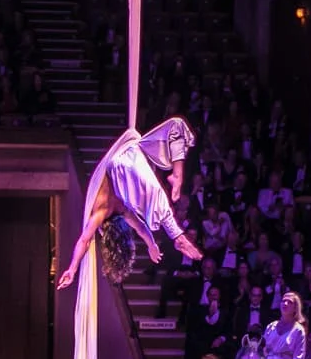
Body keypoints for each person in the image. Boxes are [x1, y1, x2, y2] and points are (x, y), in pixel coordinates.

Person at [56, 116, 205, 290]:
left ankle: (177, 223)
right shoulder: (115, 211)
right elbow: (86, 240)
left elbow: (86, 241)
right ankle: (177, 176)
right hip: (132, 154)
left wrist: (73, 269)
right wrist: (152, 245)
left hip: (124, 163)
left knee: (155, 201)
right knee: (176, 126)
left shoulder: (111, 210)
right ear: (105, 231)